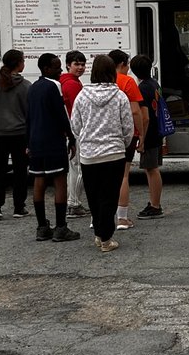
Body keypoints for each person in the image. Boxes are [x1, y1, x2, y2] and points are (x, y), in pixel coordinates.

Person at [71, 54, 134, 253]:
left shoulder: (82, 96)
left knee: (93, 196)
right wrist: (123, 144)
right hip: (114, 153)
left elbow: (75, 125)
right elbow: (128, 127)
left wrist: (85, 140)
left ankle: (99, 234)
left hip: (89, 154)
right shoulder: (119, 96)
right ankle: (106, 238)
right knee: (109, 197)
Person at [26, 52, 79, 241]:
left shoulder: (32, 88)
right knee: (59, 181)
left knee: (39, 179)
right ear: (46, 69)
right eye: (57, 67)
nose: (60, 70)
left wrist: (28, 142)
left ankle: (41, 227)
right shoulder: (54, 86)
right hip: (53, 140)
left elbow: (28, 117)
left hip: (35, 140)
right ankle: (61, 227)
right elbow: (61, 114)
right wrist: (71, 138)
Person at [0, 49, 30, 221]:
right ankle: (18, 207)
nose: (24, 63)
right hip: (19, 134)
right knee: (20, 171)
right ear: (18, 64)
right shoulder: (25, 86)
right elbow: (29, 112)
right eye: (23, 60)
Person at [108, 48, 148, 230]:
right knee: (123, 175)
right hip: (125, 134)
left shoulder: (101, 81)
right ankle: (122, 218)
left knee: (102, 177)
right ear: (123, 64)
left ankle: (99, 217)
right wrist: (140, 133)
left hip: (104, 134)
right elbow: (135, 111)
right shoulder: (127, 81)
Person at [129, 53, 164, 218]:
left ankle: (155, 205)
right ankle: (154, 203)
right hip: (158, 131)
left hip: (149, 133)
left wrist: (141, 139)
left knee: (151, 169)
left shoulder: (142, 88)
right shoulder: (154, 84)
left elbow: (145, 117)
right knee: (153, 169)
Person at [60, 50, 88, 217]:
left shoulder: (65, 81)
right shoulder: (72, 84)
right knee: (79, 168)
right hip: (76, 131)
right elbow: (79, 111)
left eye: (83, 64)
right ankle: (74, 204)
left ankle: (73, 203)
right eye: (77, 64)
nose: (80, 67)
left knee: (73, 169)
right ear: (68, 65)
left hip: (69, 131)